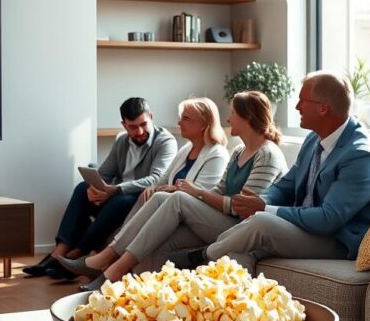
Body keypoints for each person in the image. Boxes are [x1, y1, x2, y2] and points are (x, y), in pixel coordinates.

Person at [168, 71, 370, 273]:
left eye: (302, 101)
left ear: (323, 108)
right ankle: (238, 315)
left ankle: (200, 255)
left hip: (338, 240)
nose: (296, 107)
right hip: (306, 226)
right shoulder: (315, 139)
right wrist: (259, 200)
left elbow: (328, 219)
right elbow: (286, 185)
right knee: (240, 251)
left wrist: (265, 208)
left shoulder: (361, 156)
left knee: (261, 223)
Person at [59, 92, 287, 289]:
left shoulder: (266, 154)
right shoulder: (238, 151)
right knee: (162, 225)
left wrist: (194, 192)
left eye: (233, 114)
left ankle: (109, 267)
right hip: (222, 220)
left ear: (247, 118)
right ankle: (135, 291)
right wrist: (189, 191)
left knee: (176, 198)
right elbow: (219, 191)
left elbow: (242, 210)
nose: (228, 118)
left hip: (242, 228)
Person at [23, 97, 177, 279]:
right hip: (117, 195)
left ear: (151, 117)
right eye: (133, 127)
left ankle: (76, 256)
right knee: (82, 189)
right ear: (124, 125)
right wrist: (94, 188)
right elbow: (105, 172)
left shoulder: (165, 142)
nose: (140, 131)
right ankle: (58, 254)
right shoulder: (122, 141)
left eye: (144, 124)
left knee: (122, 200)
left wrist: (115, 190)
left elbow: (155, 179)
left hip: (140, 199)